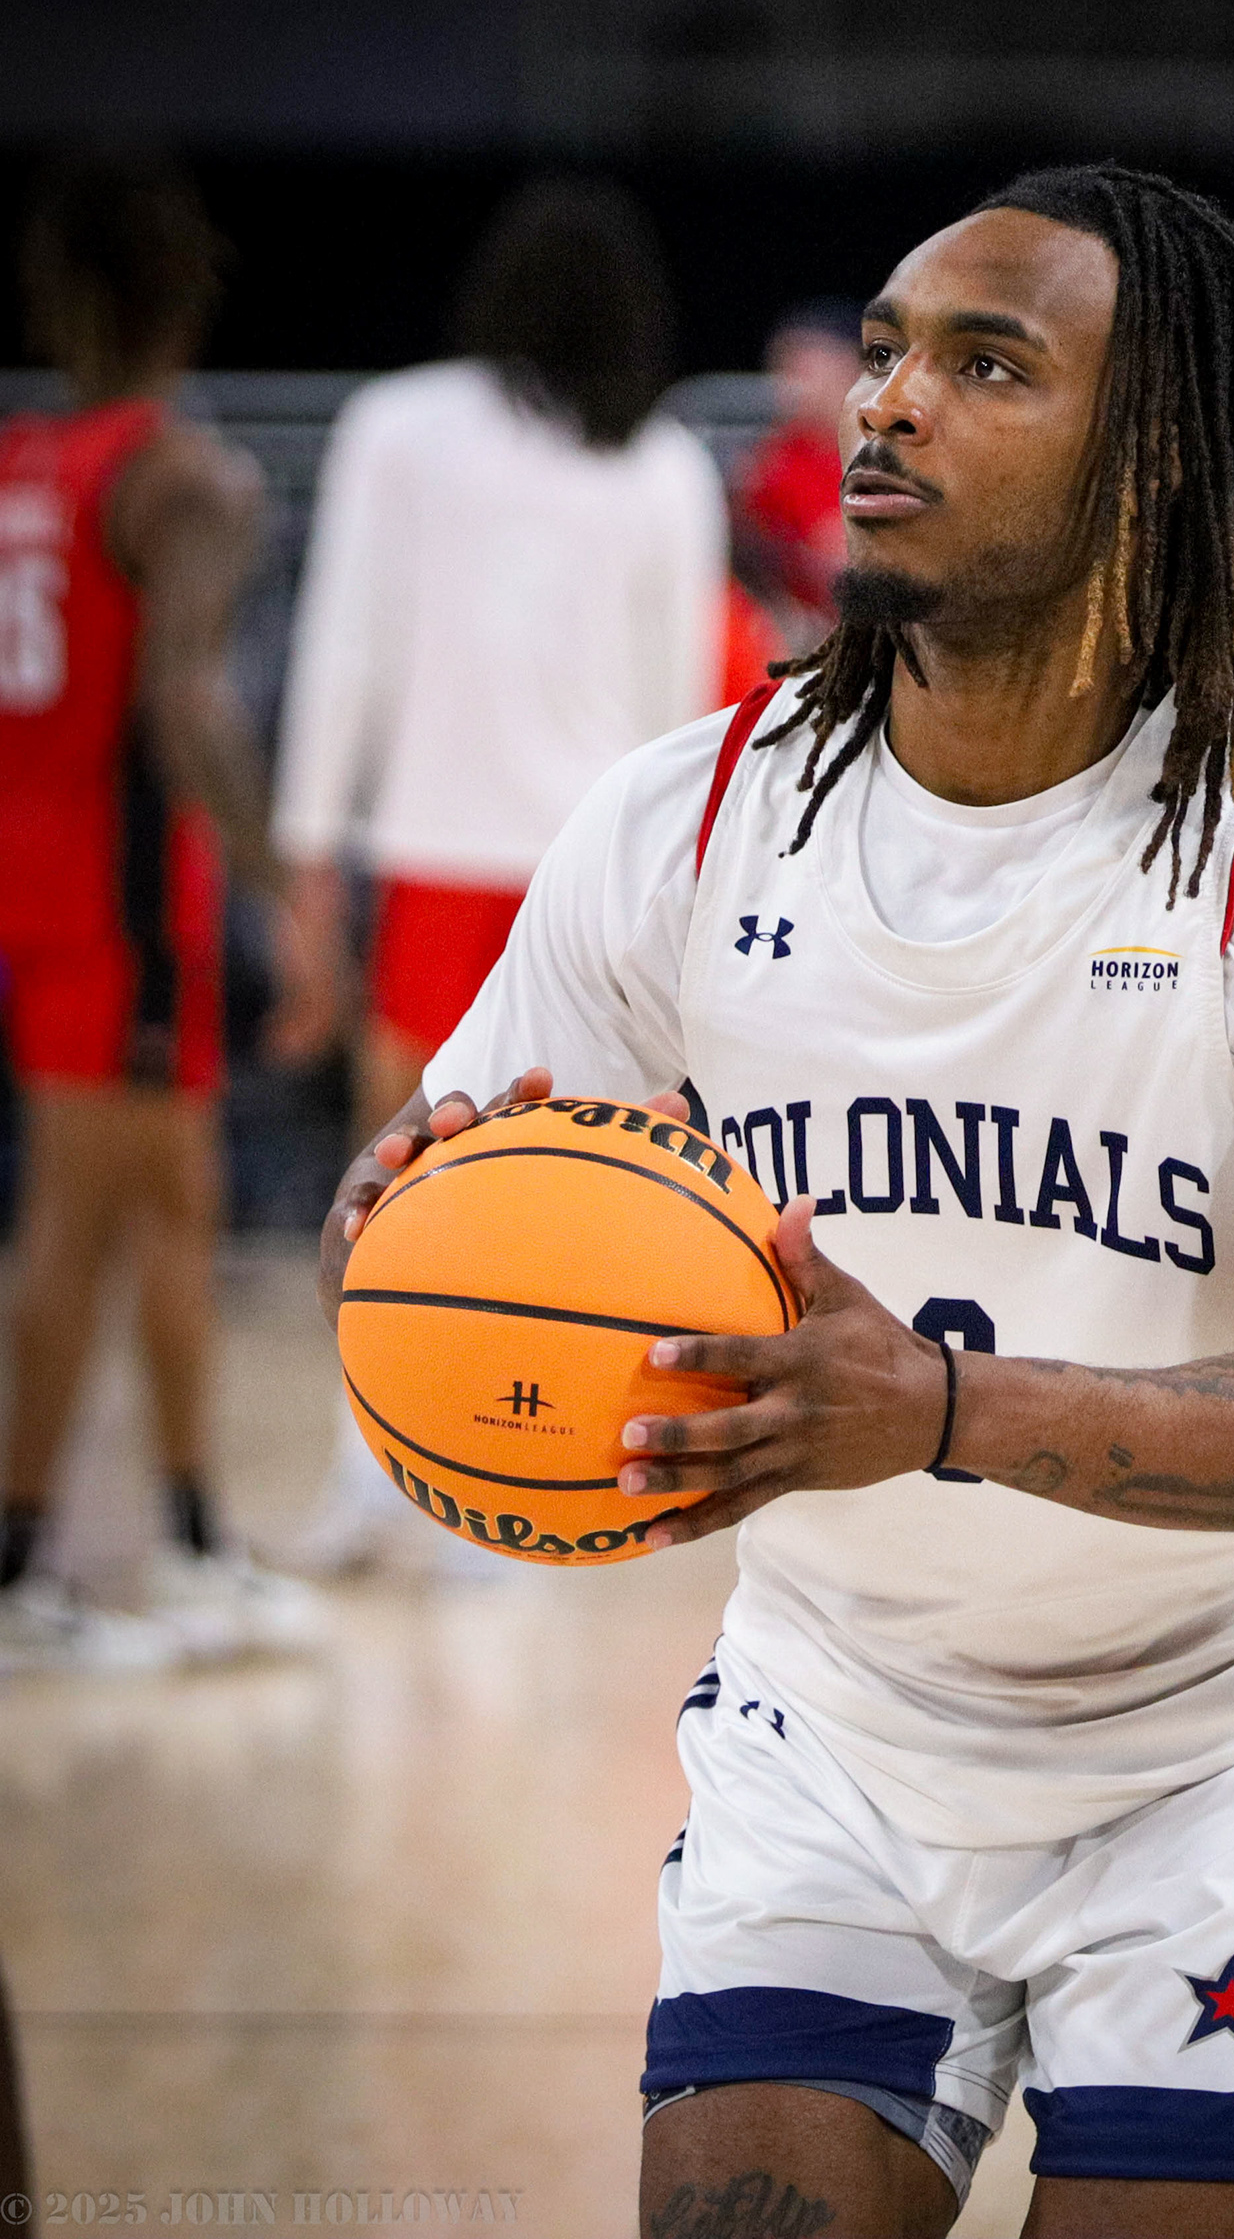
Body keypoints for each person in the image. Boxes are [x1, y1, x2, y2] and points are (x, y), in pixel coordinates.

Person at [322, 164, 1234, 2234]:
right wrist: (404, 1230)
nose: (888, 403)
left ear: (1155, 456)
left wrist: (940, 1412)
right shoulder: (685, 819)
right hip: (838, 1715)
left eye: (987, 365)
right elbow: (431, 1179)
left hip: (1214, 1729)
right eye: (882, 351)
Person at [272, 175, 729, 1568]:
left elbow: (342, 654)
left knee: (394, 1178)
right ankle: (549, 1480)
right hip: (596, 866)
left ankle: (379, 1473)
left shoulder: (397, 426)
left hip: (433, 847)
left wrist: (307, 859)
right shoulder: (664, 462)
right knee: (584, 1206)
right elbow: (678, 716)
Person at [0, 152, 324, 1671]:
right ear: (185, 299)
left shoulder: (29, 465)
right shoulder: (181, 476)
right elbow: (188, 705)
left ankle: (186, 1541)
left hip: (47, 888)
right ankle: (37, 1570)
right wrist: (284, 891)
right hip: (126, 905)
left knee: (159, 1210)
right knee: (88, 1228)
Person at [732, 297, 866, 652]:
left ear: (849, 368)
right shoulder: (771, 465)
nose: (790, 381)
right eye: (784, 364)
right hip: (804, 637)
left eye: (805, 365)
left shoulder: (888, 450)